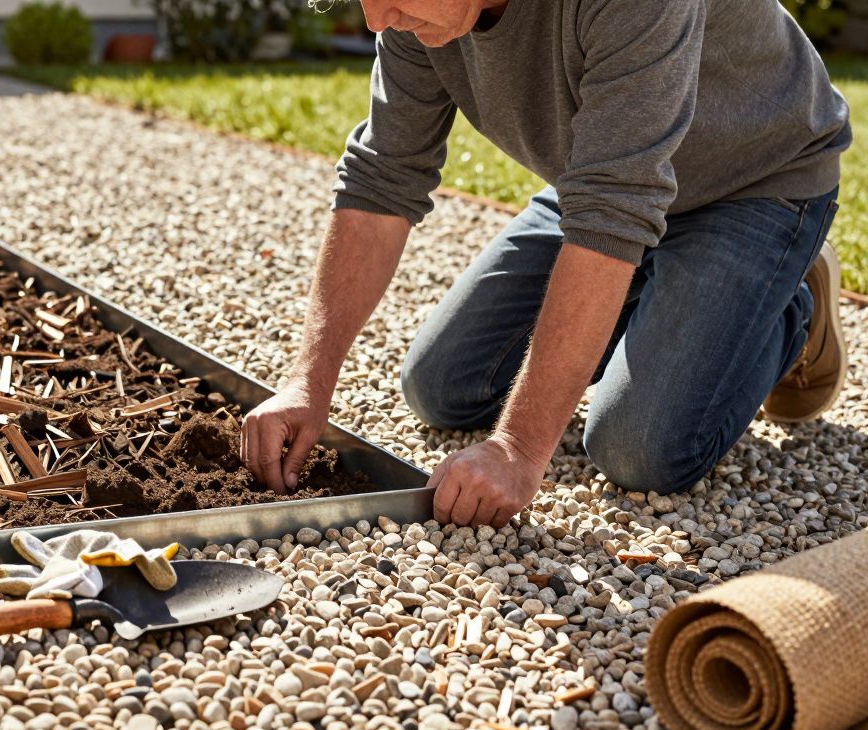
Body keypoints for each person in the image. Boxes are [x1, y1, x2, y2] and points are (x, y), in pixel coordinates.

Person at [240, 0, 852, 528]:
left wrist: (517, 449)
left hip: (753, 183)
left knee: (638, 449)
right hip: (603, 179)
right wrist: (307, 382)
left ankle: (791, 302)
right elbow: (381, 182)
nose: (375, 18)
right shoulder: (412, 16)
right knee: (443, 387)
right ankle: (657, 298)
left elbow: (614, 210)